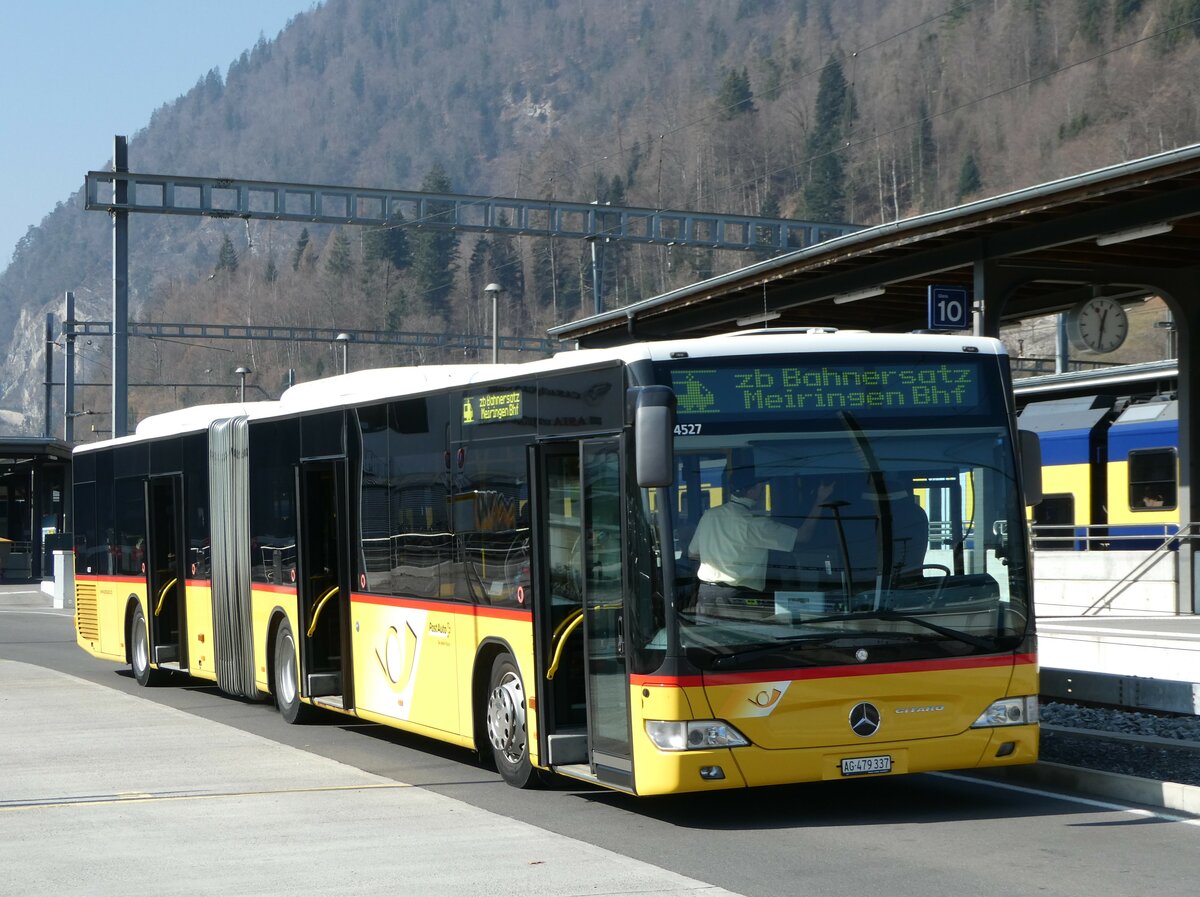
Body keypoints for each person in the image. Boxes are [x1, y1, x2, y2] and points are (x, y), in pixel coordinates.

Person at [688, 475, 834, 612]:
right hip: (738, 597)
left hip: (706, 593)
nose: (763, 490)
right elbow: (803, 536)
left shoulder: (709, 515)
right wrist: (820, 500)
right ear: (752, 491)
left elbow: (692, 553)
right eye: (761, 486)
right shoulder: (755, 524)